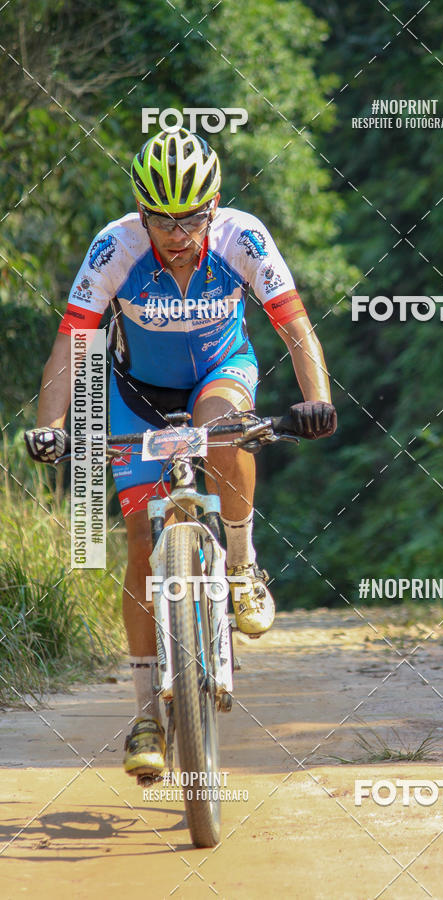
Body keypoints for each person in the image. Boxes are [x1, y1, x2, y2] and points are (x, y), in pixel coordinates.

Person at [24, 128, 337, 777]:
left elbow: (293, 323)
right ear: (142, 211)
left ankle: (244, 567)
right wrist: (51, 425)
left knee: (227, 434)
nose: (176, 231)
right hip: (133, 393)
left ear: (214, 205)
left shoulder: (241, 238)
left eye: (191, 216)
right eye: (161, 217)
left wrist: (318, 400)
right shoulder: (116, 245)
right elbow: (71, 341)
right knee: (140, 540)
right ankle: (145, 715)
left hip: (221, 372)